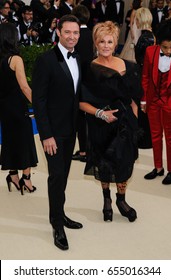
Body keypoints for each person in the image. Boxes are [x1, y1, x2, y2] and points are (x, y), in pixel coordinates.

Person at [80, 21, 142, 223]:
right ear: (95, 44)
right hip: (101, 125)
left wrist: (134, 124)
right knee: (104, 164)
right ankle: (106, 200)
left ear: (116, 44)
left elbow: (133, 100)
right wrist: (101, 114)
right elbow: (81, 103)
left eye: (110, 42)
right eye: (101, 42)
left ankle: (121, 201)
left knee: (124, 163)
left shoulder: (128, 66)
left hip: (124, 125)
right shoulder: (90, 69)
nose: (106, 45)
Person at [32, 15, 83, 251]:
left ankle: (60, 214)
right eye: (68, 32)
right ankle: (56, 225)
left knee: (62, 177)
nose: (72, 36)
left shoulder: (79, 58)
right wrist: (46, 135)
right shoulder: (46, 60)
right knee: (56, 177)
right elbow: (39, 101)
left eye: (76, 33)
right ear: (59, 33)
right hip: (53, 133)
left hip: (70, 129)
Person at [0, 22, 38, 195]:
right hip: (17, 106)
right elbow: (24, 87)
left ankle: (13, 175)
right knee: (25, 141)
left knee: (10, 140)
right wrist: (38, 106)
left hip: (4, 107)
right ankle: (26, 178)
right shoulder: (15, 59)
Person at [141, 18, 171, 184]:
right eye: (164, 47)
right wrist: (144, 100)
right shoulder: (150, 52)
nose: (168, 51)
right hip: (153, 101)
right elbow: (145, 76)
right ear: (158, 43)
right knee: (154, 135)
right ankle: (158, 167)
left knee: (170, 138)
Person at [72, 4, 94, 162]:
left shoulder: (76, 35)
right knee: (90, 115)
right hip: (91, 79)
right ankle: (89, 149)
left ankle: (83, 151)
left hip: (78, 79)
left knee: (80, 116)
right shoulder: (92, 34)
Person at [135, 7, 155, 149]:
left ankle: (144, 140)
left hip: (143, 74)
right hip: (145, 73)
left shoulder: (145, 37)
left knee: (143, 107)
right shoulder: (150, 35)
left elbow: (144, 60)